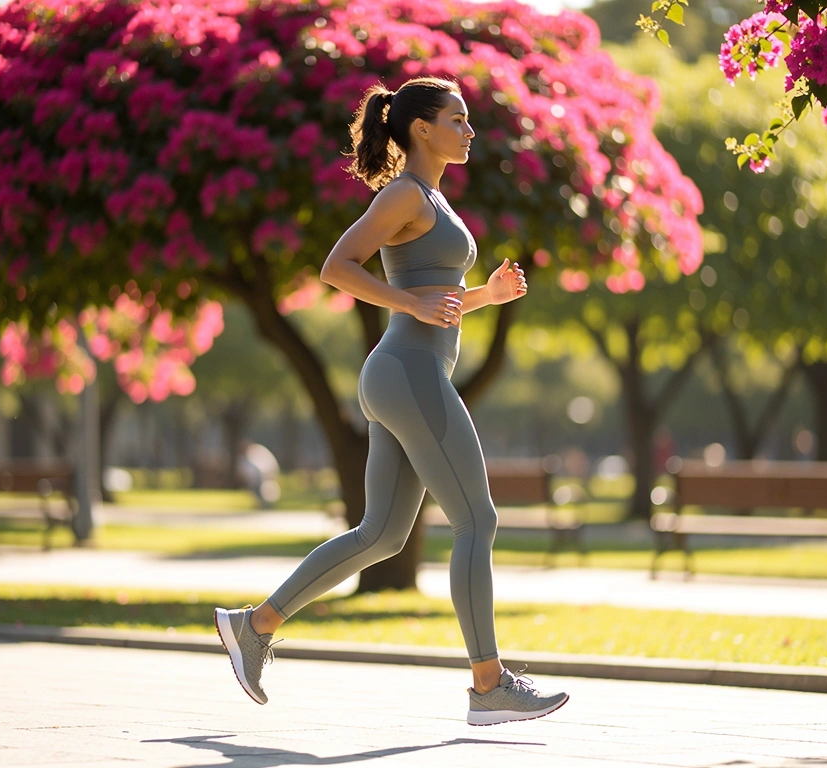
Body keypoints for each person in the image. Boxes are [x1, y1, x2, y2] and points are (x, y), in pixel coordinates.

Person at [214, 77, 569, 726]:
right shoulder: (405, 193)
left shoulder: (432, 200)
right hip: (407, 373)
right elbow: (337, 266)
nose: (469, 130)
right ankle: (489, 685)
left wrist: (488, 294)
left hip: (403, 373)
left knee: (379, 534)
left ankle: (253, 626)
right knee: (476, 520)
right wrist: (407, 303)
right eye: (457, 119)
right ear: (421, 129)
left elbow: (442, 301)